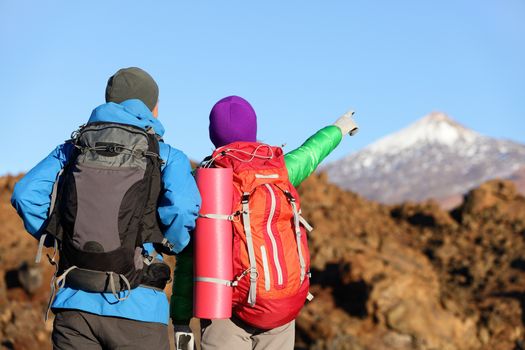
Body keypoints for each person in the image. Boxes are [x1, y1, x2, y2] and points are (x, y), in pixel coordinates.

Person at [11, 67, 201, 350]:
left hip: (75, 305)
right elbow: (184, 209)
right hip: (139, 308)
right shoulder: (166, 155)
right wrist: (167, 242)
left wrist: (59, 234)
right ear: (154, 108)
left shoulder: (74, 147)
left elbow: (26, 194)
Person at [170, 95, 357, 349]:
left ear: (213, 133)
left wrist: (181, 318)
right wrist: (339, 128)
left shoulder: (205, 182)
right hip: (280, 306)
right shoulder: (280, 170)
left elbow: (190, 255)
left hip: (225, 308)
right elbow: (311, 152)